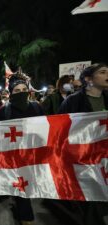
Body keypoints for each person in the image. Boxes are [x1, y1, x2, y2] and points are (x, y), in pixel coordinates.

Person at [58, 63, 108, 225]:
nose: (107, 74)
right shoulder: (73, 101)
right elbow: (60, 128)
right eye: (103, 72)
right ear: (89, 79)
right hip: (84, 159)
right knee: (92, 201)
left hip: (105, 158)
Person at [0, 72, 44, 225]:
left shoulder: (36, 107)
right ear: (11, 93)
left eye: (24, 90)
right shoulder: (3, 111)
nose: (22, 93)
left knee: (31, 184)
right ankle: (26, 217)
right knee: (22, 184)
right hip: (14, 156)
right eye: (17, 91)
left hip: (34, 153)